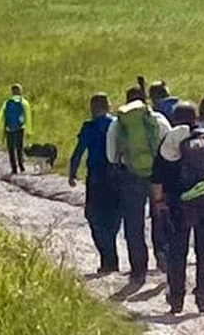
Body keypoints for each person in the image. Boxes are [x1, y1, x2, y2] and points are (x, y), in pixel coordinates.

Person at [153, 106, 204, 315]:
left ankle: (176, 299)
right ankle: (203, 296)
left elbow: (157, 176)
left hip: (178, 205)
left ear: (175, 119)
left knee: (177, 252)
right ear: (196, 118)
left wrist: (159, 201)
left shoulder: (170, 141)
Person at [110, 89, 167, 283]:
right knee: (160, 215)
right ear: (146, 102)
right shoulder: (159, 120)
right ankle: (163, 257)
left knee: (134, 223)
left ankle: (138, 269)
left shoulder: (118, 123)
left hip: (131, 175)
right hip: (159, 175)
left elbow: (111, 155)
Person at [68, 93, 122, 276]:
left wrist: (72, 172)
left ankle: (107, 259)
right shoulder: (118, 124)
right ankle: (112, 255)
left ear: (92, 107)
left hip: (96, 176)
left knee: (94, 216)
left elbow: (79, 151)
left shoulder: (88, 127)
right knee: (113, 215)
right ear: (108, 106)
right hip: (116, 175)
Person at [2, 84, 31, 174]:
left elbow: (2, 116)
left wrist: (3, 129)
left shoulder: (7, 102)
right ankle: (21, 166)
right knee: (19, 147)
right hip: (19, 128)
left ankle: (14, 168)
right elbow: (28, 116)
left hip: (9, 128)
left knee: (11, 149)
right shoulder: (23, 102)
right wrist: (28, 129)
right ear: (20, 91)